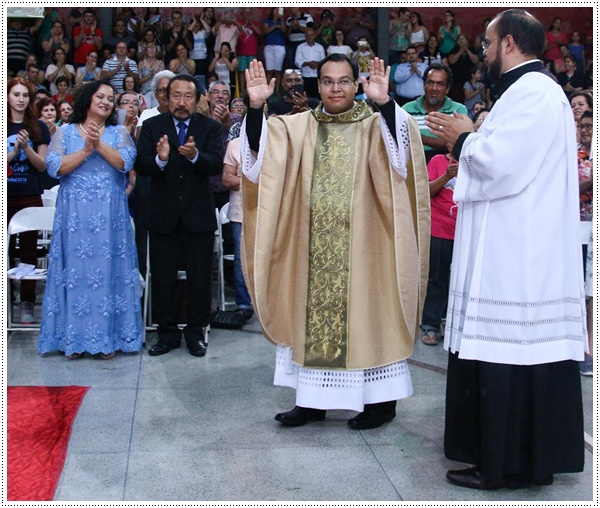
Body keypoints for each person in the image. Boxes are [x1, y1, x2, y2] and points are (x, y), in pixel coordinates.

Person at [425, 9, 586, 489]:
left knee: (509, 353)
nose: (484, 53)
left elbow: (502, 165)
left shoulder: (533, 94)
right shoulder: (528, 92)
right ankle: (516, 458)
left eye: (489, 44)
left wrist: (464, 137)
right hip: (517, 245)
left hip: (517, 253)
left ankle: (505, 465)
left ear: (510, 43)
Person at [242, 55, 429, 429]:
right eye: (328, 81)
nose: (336, 89)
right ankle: (312, 402)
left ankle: (380, 403)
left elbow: (403, 159)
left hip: (366, 245)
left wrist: (386, 103)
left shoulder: (375, 124)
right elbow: (258, 158)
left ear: (356, 84)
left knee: (371, 317)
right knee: (308, 318)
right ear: (318, 86)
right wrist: (256, 106)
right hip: (309, 247)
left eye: (344, 81)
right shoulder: (297, 127)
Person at [38, 80, 143, 359]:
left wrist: (98, 145)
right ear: (88, 98)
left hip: (110, 216)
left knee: (108, 273)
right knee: (76, 274)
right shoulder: (65, 132)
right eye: (101, 96)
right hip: (75, 216)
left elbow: (124, 163)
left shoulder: (120, 132)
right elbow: (55, 167)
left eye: (111, 99)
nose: (106, 102)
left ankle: (108, 338)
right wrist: (86, 149)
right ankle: (73, 338)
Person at [135, 74, 225, 358]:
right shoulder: (151, 127)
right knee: (163, 278)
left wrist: (196, 155)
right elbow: (142, 166)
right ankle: (167, 334)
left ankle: (196, 334)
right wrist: (161, 159)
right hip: (163, 216)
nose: (182, 102)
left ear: (198, 99)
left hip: (198, 217)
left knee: (199, 279)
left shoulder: (209, 127)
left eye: (188, 96)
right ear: (165, 97)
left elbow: (215, 166)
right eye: (176, 96)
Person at [7, 78, 50, 324]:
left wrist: (27, 148)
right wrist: (14, 150)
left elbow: (42, 165)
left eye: (25, 95)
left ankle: (27, 302)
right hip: (6, 195)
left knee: (29, 253)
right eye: (16, 94)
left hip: (30, 196)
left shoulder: (38, 127)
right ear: (8, 97)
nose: (21, 99)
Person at [420, 153, 458, 346]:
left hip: (468, 231)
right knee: (437, 279)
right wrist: (447, 176)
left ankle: (456, 326)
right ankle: (431, 325)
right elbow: (425, 192)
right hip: (440, 228)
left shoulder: (479, 161)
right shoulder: (438, 161)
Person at [403, 63, 468, 162]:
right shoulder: (407, 109)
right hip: (414, 165)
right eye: (430, 83)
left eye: (440, 84)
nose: (434, 88)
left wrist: (417, 137)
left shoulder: (458, 110)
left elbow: (457, 143)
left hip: (447, 166)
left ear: (447, 89)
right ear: (424, 85)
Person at [235, 8, 261, 96]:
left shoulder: (256, 23)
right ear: (242, 15)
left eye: (249, 14)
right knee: (242, 71)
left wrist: (251, 24)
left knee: (252, 72)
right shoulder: (239, 22)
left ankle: (250, 89)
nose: (247, 16)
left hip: (252, 52)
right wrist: (245, 24)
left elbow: (259, 33)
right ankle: (242, 90)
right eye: (246, 14)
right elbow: (239, 30)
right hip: (241, 51)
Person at [294, 28, 326, 99]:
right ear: (305, 36)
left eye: (311, 35)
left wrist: (316, 64)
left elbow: (324, 61)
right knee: (306, 97)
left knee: (318, 98)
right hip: (305, 75)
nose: (309, 37)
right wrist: (308, 64)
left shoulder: (320, 47)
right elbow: (297, 61)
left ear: (314, 36)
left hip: (317, 75)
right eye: (308, 35)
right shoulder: (300, 47)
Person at [262, 8, 287, 94]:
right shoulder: (267, 20)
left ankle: (277, 91)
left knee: (278, 71)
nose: (277, 12)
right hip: (268, 47)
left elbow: (284, 30)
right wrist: (275, 26)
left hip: (280, 46)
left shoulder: (282, 21)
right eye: (275, 10)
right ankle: (268, 91)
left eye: (278, 10)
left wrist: (282, 19)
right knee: (269, 70)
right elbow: (265, 31)